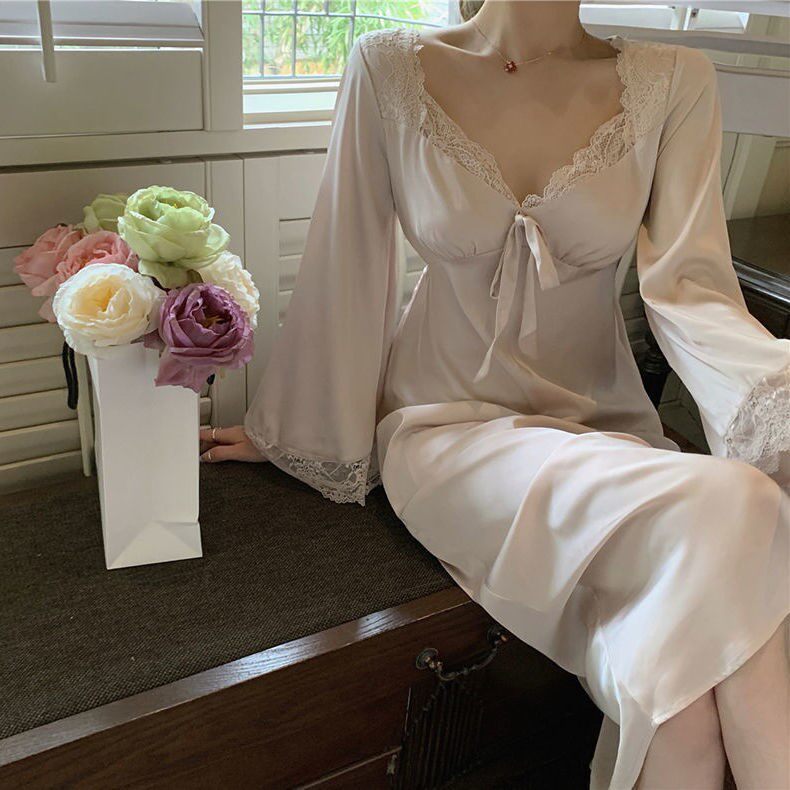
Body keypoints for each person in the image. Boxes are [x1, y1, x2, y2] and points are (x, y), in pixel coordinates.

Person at [199, 2, 790, 788]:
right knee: (743, 501)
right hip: (447, 432)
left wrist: (777, 403)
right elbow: (347, 263)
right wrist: (293, 432)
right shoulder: (390, 66)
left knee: (679, 711)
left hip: (607, 433)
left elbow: (690, 288)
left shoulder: (674, 81)